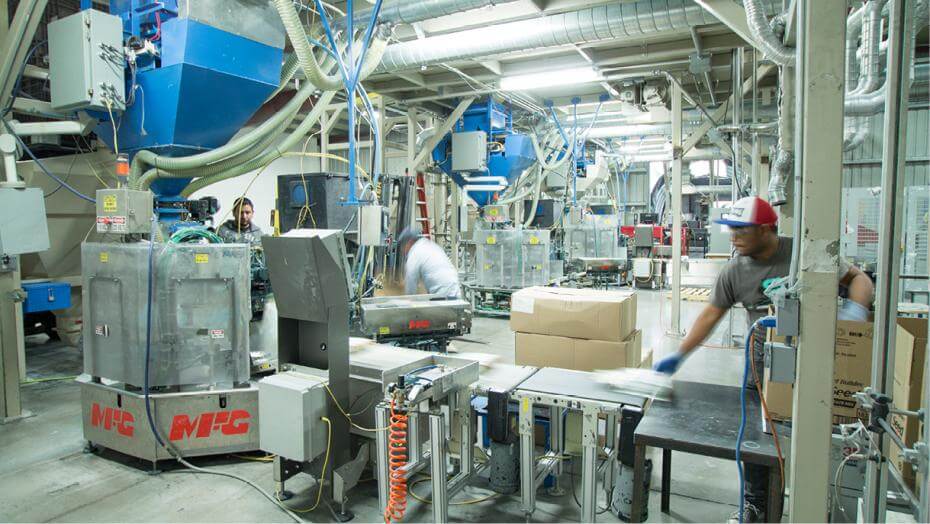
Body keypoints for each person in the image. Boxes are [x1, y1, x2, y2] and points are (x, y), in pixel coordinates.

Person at [653, 196, 874, 523]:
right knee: (758, 439)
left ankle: (824, 499)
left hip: (815, 361)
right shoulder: (735, 271)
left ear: (767, 229)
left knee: (817, 433)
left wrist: (854, 316)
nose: (733, 237)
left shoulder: (801, 255)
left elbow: (859, 279)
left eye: (742, 230)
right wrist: (679, 354)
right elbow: (711, 313)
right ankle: (757, 506)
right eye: (731, 229)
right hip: (760, 365)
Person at [397, 227, 462, 298]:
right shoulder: (429, 245)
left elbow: (411, 285)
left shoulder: (414, 253)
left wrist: (407, 303)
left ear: (409, 242)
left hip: (443, 295)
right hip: (455, 291)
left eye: (403, 246)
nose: (403, 250)